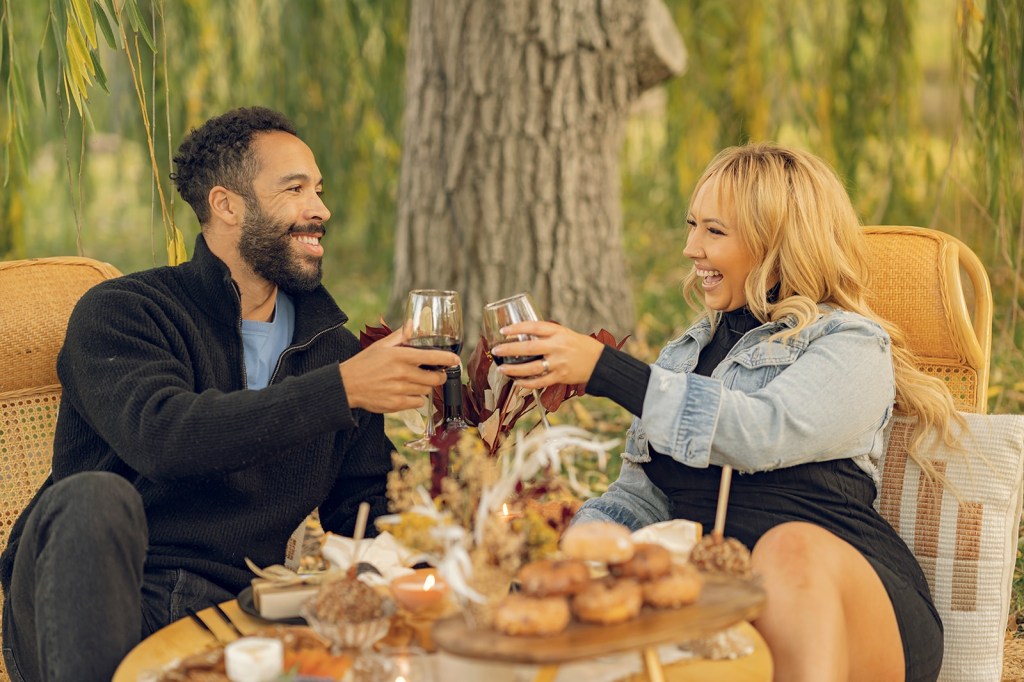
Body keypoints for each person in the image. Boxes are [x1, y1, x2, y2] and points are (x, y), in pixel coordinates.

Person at [0, 106, 458, 682]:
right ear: (227, 205)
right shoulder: (126, 311)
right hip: (85, 603)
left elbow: (365, 507)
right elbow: (164, 436)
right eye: (294, 189)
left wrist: (463, 512)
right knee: (93, 497)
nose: (320, 209)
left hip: (235, 614)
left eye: (318, 190)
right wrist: (342, 390)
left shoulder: (334, 352)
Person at [494, 142, 960, 682]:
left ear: (778, 242)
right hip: (719, 601)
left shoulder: (851, 344)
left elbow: (758, 432)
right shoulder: (682, 357)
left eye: (714, 231)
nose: (691, 248)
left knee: (786, 548)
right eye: (692, 225)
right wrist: (565, 561)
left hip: (849, 599)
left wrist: (607, 370)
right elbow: (638, 499)